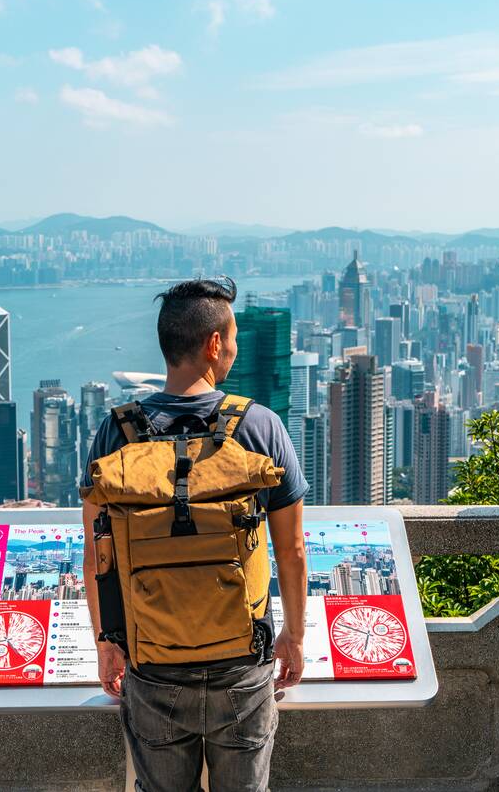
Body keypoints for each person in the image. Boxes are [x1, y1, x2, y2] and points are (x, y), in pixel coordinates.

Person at [80, 277, 309, 792]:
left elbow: (98, 556)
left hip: (153, 664)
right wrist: (294, 636)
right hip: (240, 668)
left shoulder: (117, 432)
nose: (233, 348)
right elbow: (291, 550)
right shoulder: (260, 427)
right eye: (231, 338)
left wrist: (106, 643)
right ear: (212, 345)